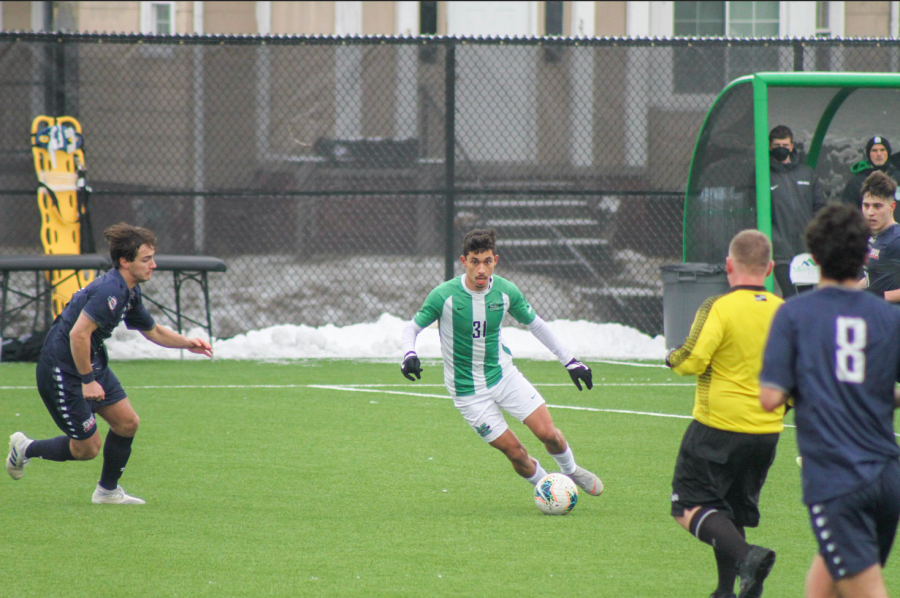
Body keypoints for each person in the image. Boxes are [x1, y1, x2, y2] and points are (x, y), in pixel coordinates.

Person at [6, 223, 212, 504]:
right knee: (87, 449)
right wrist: (87, 380)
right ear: (125, 262)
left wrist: (189, 343)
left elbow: (153, 331)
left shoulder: (129, 291)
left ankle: (107, 492)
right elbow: (79, 334)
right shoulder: (109, 291)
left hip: (89, 361)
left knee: (127, 423)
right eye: (146, 259)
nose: (154, 265)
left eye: (152, 257)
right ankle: (25, 448)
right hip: (62, 370)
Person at [760, 203, 900, 598]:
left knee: (865, 589)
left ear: (814, 257)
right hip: (887, 477)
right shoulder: (888, 317)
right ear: (863, 258)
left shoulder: (794, 315)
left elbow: (770, 397)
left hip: (838, 480)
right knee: (827, 583)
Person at [399, 228, 602, 496]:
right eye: (475, 262)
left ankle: (571, 471)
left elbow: (537, 325)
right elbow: (410, 329)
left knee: (548, 433)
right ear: (464, 262)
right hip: (467, 391)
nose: (481, 270)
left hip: (503, 375)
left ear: (495, 260)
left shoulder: (506, 291)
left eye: (487, 262)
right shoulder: (443, 295)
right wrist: (408, 354)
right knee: (516, 452)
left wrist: (570, 362)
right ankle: (548, 488)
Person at [665, 230, 785, 598]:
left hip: (718, 427)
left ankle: (748, 557)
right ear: (770, 269)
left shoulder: (719, 306)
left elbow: (694, 358)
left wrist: (672, 358)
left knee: (687, 505)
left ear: (729, 265)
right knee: (727, 513)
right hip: (767, 432)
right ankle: (726, 591)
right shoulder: (783, 310)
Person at [768, 125, 827, 298]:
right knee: (789, 296)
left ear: (792, 146)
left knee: (807, 296)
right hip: (781, 251)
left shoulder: (806, 173)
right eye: (777, 145)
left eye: (785, 145)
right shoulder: (764, 175)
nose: (781, 149)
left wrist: (814, 236)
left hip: (805, 249)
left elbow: (820, 207)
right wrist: (776, 240)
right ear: (770, 147)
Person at [859, 170, 900, 303]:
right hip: (876, 317)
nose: (870, 212)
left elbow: (875, 293)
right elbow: (875, 277)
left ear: (892, 206)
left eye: (877, 206)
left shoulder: (897, 239)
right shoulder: (874, 237)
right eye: (866, 206)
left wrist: (881, 296)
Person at [841, 135, 900, 209]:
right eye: (874, 150)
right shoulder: (856, 183)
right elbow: (848, 214)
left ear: (888, 153)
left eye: (882, 150)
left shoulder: (898, 177)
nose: (878, 154)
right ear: (869, 155)